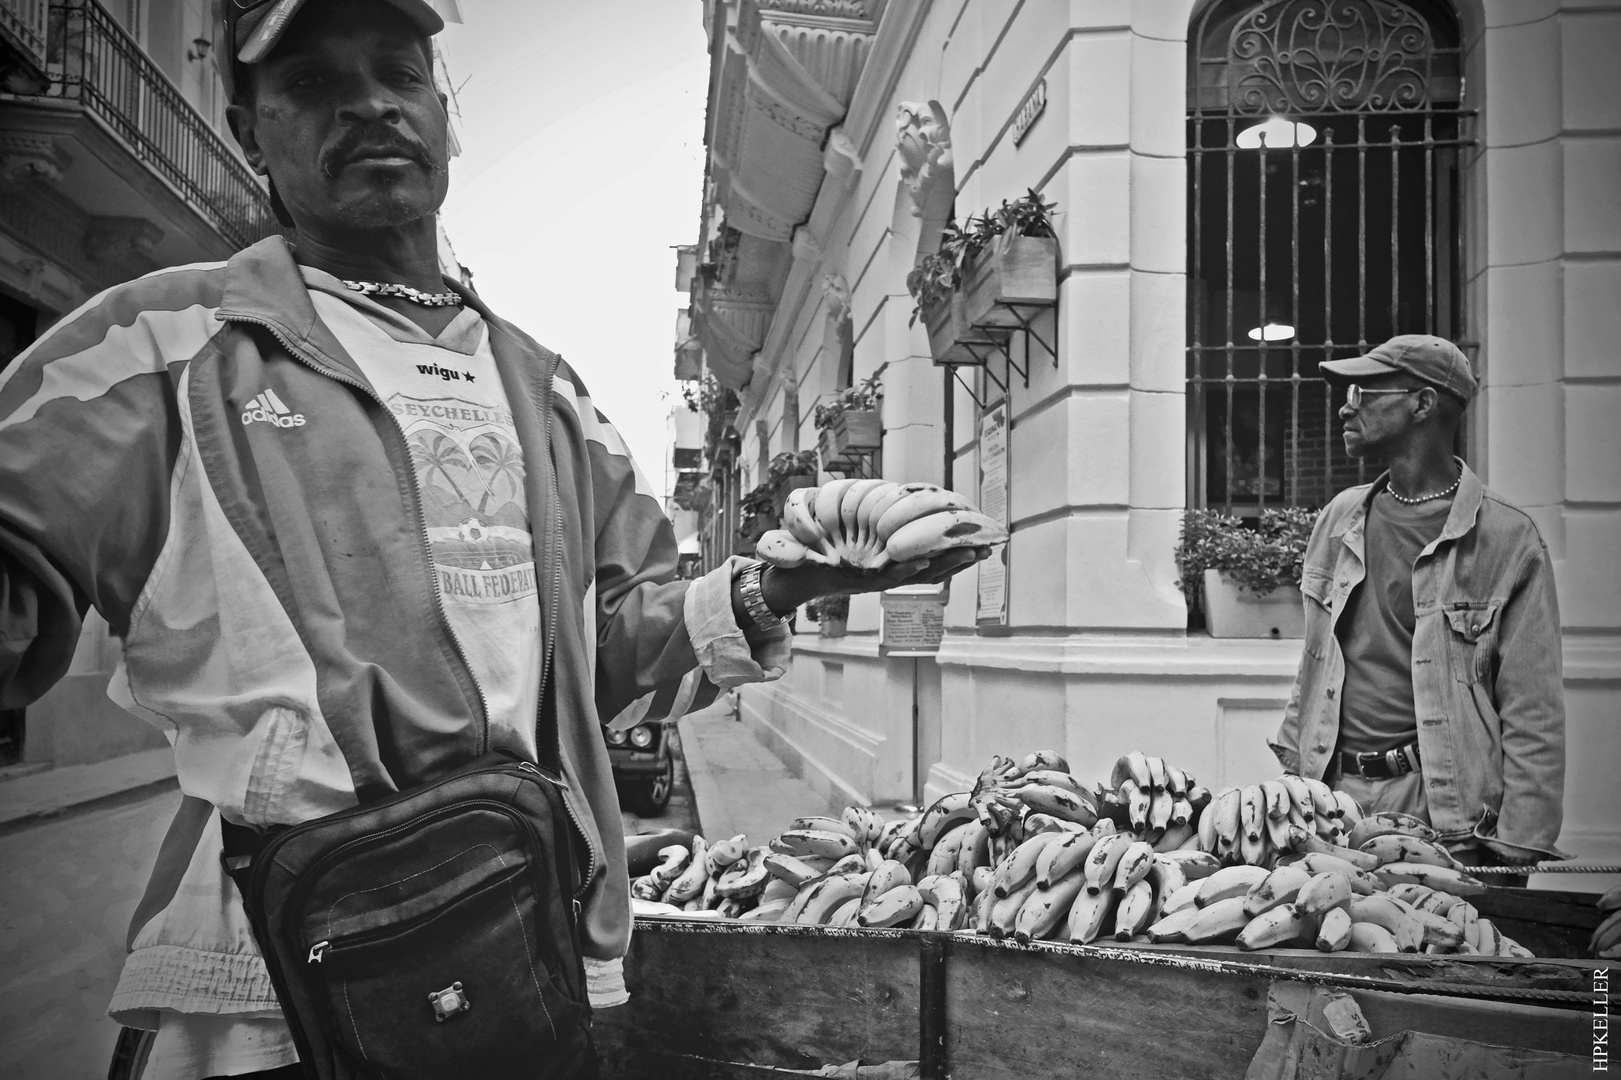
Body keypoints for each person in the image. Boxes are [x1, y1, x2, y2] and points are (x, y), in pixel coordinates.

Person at [0, 2, 982, 1076]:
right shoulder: (158, 349)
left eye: (397, 71)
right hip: (264, 995)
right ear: (247, 127)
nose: (369, 101)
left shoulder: (546, 393)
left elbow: (614, 646)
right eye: (316, 83)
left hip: (522, 952)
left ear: (441, 112)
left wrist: (777, 585)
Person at [1271, 334, 1567, 867]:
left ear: (1423, 404)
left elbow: (1534, 712)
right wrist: (1292, 790)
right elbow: (1314, 667)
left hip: (1442, 813)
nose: (1346, 404)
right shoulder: (1340, 519)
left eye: (1364, 391)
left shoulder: (1507, 538)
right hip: (1328, 803)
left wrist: (1515, 852)